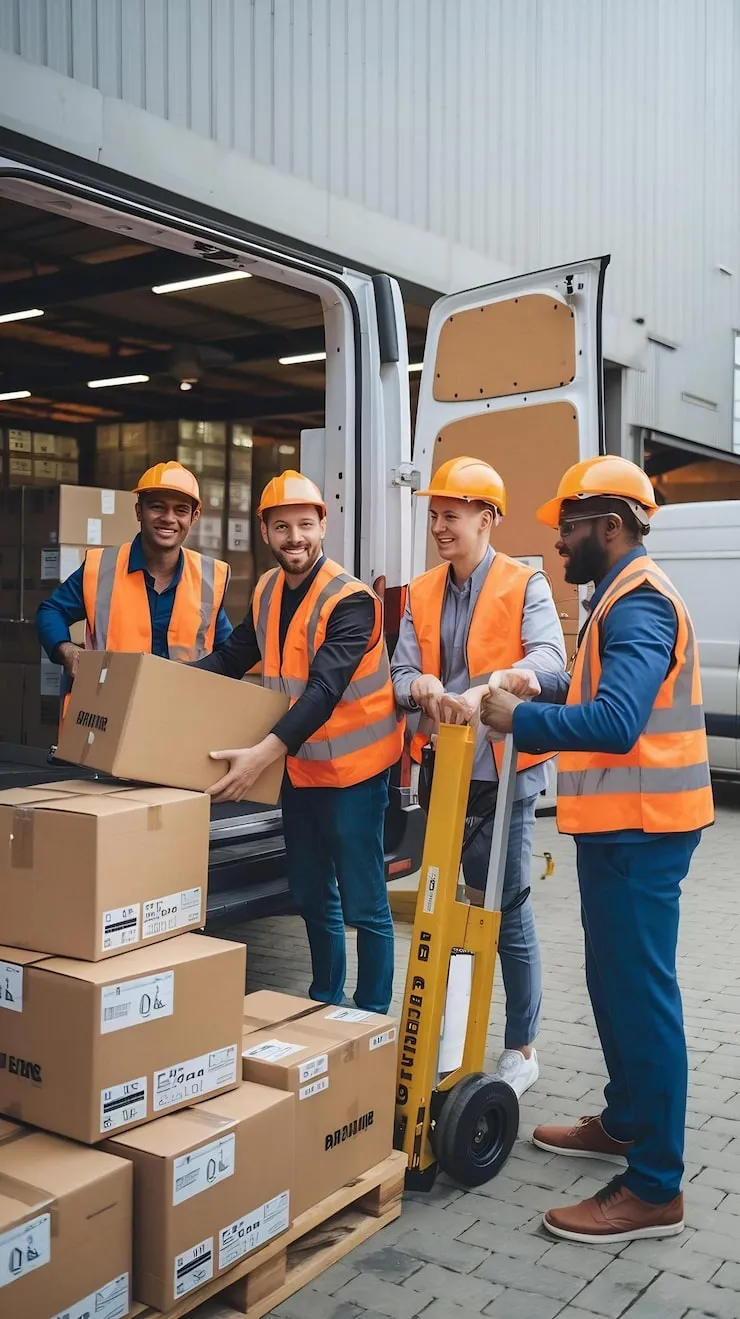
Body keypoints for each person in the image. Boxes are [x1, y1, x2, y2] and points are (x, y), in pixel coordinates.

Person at [480, 454, 714, 1244]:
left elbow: (617, 721)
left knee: (644, 999)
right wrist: (537, 689)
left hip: (644, 833)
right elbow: (595, 697)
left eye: (568, 527)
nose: (558, 542)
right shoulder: (612, 595)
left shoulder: (639, 603)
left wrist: (521, 720)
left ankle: (654, 1187)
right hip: (618, 830)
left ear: (608, 527)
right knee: (612, 986)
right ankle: (622, 1121)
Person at [193, 470, 404, 1015]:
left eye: (305, 526)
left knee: (364, 903)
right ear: (265, 531)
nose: (295, 538)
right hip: (301, 769)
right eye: (282, 527)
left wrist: (261, 756)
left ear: (323, 526)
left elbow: (323, 689)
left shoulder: (352, 601)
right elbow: (233, 656)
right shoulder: (266, 589)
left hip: (355, 773)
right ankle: (324, 1002)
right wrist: (166, 685)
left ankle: (369, 1017)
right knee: (311, 893)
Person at [391, 456, 567, 1098]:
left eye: (452, 515)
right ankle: (450, 1034)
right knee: (452, 907)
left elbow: (552, 661)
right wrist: (423, 687)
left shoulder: (527, 584)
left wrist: (491, 686)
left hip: (504, 772)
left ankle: (521, 1046)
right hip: (447, 768)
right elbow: (397, 674)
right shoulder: (422, 590)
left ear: (486, 519)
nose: (439, 526)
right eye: (434, 515)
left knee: (506, 909)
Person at [37, 462, 232, 688]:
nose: (169, 518)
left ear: (194, 517)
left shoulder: (209, 579)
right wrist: (67, 650)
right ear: (139, 511)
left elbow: (228, 654)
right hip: (111, 704)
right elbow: (52, 610)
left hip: (180, 710)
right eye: (158, 507)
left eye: (180, 510)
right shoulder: (101, 569)